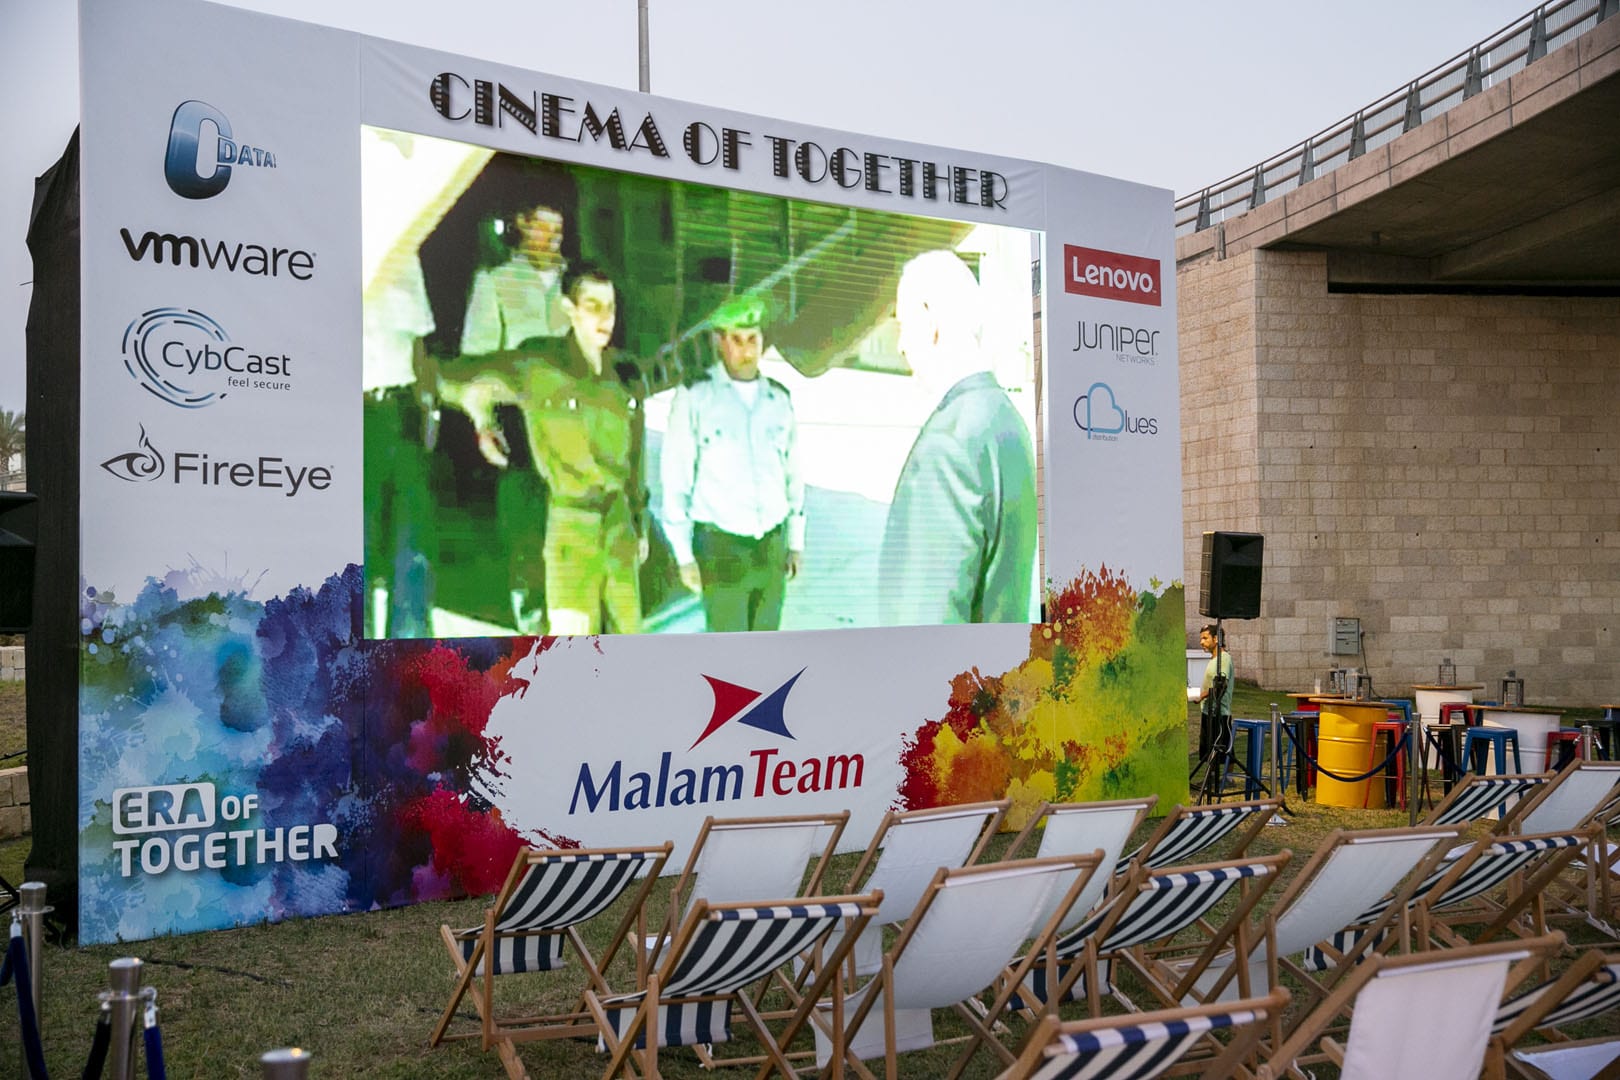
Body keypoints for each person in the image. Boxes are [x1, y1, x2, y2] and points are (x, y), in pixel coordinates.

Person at [441, 265, 647, 635]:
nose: (605, 317)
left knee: (630, 638)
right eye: (593, 306)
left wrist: (640, 522)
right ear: (570, 308)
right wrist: (482, 415)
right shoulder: (538, 363)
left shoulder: (624, 372)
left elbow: (637, 456)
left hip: (620, 525)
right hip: (571, 524)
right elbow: (454, 377)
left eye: (610, 307)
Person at [878, 250, 1037, 626]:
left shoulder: (947, 446)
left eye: (903, 325)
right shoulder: (1008, 422)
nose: (901, 345)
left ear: (929, 318)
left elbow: (925, 627)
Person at [660, 295, 805, 632]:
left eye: (753, 339)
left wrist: (796, 542)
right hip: (721, 549)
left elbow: (793, 474)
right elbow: (677, 477)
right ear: (719, 342)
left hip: (771, 546)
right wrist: (684, 555)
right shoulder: (696, 397)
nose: (746, 350)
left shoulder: (778, 399)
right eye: (736, 340)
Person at [460, 201, 571, 633]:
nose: (552, 237)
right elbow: (476, 362)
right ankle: (534, 629)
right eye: (542, 226)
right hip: (520, 423)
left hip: (573, 423)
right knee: (526, 534)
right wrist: (482, 422)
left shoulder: (577, 284)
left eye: (558, 228)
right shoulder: (495, 282)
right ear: (522, 224)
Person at [362, 248, 438, 639]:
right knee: (356, 541)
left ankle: (410, 648)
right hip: (354, 413)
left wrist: (429, 407)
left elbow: (419, 343)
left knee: (412, 537)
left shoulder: (405, 258)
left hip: (403, 407)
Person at [1195, 623, 1235, 760]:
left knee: (1224, 751)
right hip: (1208, 711)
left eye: (1205, 638)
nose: (1201, 642)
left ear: (1216, 639)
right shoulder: (1214, 659)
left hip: (1219, 713)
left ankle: (1226, 774)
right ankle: (1211, 773)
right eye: (1201, 639)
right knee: (1208, 752)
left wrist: (1201, 696)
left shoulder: (1224, 658)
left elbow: (1221, 685)